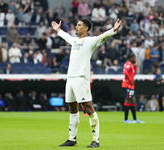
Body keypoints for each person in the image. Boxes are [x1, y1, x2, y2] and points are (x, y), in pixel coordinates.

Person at [51, 18, 121, 147]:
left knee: (88, 108)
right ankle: (72, 139)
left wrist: (113, 30)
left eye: (79, 25)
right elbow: (67, 36)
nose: (76, 27)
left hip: (81, 78)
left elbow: (102, 37)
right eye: (76, 25)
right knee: (72, 108)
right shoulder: (75, 41)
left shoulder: (90, 41)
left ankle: (96, 140)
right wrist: (58, 30)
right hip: (70, 78)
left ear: (86, 28)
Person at [122, 53, 144, 124]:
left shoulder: (131, 65)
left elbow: (133, 74)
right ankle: (126, 119)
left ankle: (135, 119)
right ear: (130, 58)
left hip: (131, 86)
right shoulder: (128, 63)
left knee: (133, 100)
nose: (135, 58)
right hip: (127, 85)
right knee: (128, 100)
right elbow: (125, 72)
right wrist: (130, 80)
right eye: (134, 57)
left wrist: (136, 66)